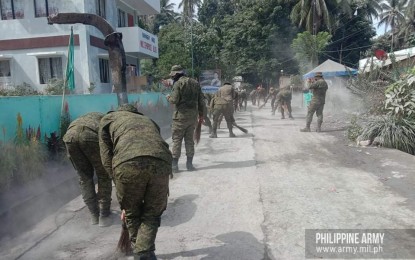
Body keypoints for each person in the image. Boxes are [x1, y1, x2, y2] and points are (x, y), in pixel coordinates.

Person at [99, 104, 171, 260]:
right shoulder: (148, 120)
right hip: (161, 163)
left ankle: (142, 253)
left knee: (132, 213)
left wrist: (119, 184)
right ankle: (146, 251)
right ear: (135, 113)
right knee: (152, 214)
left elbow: (106, 158)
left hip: (127, 165)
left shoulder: (108, 120)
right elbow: (155, 144)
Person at [63, 112, 112, 226]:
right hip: (90, 136)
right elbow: (109, 144)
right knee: (103, 174)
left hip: (70, 136)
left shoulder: (83, 118)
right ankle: (104, 216)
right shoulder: (106, 121)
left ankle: (94, 215)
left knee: (84, 177)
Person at [166, 65, 204, 173]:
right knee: (189, 140)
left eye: (173, 76)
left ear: (176, 74)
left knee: (177, 140)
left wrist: (168, 97)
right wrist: (201, 115)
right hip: (192, 117)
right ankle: (189, 165)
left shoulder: (178, 84)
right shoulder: (195, 83)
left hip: (180, 118)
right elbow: (201, 101)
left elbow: (174, 100)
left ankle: (174, 166)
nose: (172, 78)